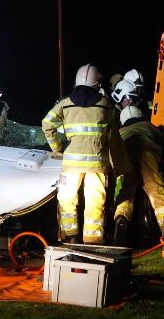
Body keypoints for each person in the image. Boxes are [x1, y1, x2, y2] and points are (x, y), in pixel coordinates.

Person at [42, 63, 118, 244]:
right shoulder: (106, 105)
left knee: (67, 199)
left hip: (71, 164)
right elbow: (113, 133)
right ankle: (93, 241)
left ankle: (70, 237)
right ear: (97, 83)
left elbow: (47, 125)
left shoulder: (65, 104)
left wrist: (58, 148)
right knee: (95, 203)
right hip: (97, 164)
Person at [114, 106, 164, 241]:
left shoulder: (120, 131)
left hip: (125, 155)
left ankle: (120, 219)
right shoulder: (146, 125)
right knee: (156, 190)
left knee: (126, 193)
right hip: (145, 151)